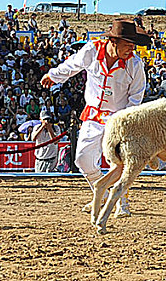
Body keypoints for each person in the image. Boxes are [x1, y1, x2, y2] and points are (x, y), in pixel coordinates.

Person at [40, 19, 148, 217]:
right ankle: (104, 194)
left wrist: (127, 121)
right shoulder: (92, 50)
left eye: (133, 46)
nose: (131, 49)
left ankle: (122, 203)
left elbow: (137, 95)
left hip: (118, 119)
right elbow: (72, 65)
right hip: (93, 115)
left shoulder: (135, 64)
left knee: (118, 163)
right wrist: (53, 76)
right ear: (114, 42)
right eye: (128, 45)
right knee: (82, 160)